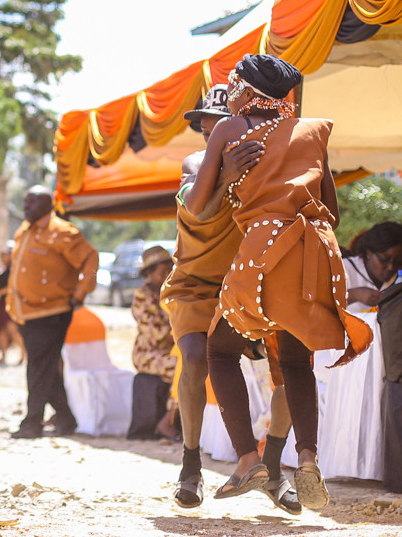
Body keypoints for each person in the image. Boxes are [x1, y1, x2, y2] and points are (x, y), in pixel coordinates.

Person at [185, 54, 373, 510]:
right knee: (294, 361)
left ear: (247, 91)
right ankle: (306, 458)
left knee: (220, 350)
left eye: (234, 86)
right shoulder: (313, 132)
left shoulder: (231, 128)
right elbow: (331, 205)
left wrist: (235, 178)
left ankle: (249, 460)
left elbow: (194, 204)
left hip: (263, 249)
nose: (230, 94)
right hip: (313, 251)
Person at [162, 83, 299, 513]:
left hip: (250, 284)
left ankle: (272, 465)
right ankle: (190, 466)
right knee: (196, 358)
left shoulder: (264, 162)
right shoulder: (194, 163)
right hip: (195, 284)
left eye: (220, 129)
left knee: (291, 368)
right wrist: (223, 175)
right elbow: (197, 207)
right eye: (207, 133)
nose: (212, 139)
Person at [7, 186, 98, 439]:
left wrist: (81, 292)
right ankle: (66, 419)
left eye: (33, 202)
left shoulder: (62, 232)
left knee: (37, 366)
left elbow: (91, 258)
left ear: (48, 205)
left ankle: (32, 423)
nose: (26, 207)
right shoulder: (24, 230)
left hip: (52, 311)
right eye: (25, 202)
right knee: (44, 366)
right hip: (25, 312)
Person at [128, 246, 178, 440]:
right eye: (161, 272)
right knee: (181, 369)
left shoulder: (171, 292)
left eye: (169, 271)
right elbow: (157, 335)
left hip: (174, 349)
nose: (167, 276)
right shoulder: (142, 296)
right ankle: (167, 421)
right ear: (148, 274)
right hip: (148, 354)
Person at [343, 222, 402, 313]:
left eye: (398, 262)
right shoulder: (343, 269)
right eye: (384, 259)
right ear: (369, 253)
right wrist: (353, 295)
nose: (391, 267)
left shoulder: (399, 278)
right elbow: (319, 306)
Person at [0, 240, 24, 365]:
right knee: (1, 331)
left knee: (12, 329)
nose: (4, 257)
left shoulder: (15, 270)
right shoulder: (1, 271)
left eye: (6, 254)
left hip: (9, 303)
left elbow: (13, 287)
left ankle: (23, 354)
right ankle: (3, 355)